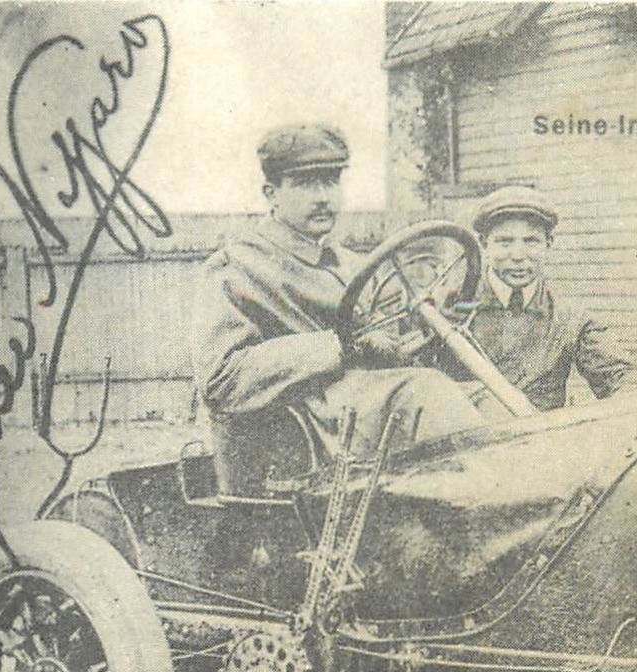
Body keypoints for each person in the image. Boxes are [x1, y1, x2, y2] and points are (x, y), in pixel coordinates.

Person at [193, 124, 484, 463]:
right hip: (302, 431)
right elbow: (220, 380)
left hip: (368, 409)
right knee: (427, 394)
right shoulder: (236, 268)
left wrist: (428, 326)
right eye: (305, 184)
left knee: (485, 399)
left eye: (331, 181)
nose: (323, 197)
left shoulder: (355, 266)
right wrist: (338, 345)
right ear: (271, 193)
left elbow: (393, 345)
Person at [448, 185, 634, 412]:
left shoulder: (570, 319)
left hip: (541, 443)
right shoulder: (448, 309)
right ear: (484, 244)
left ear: (549, 244)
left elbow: (622, 377)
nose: (518, 256)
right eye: (504, 242)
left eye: (531, 241)